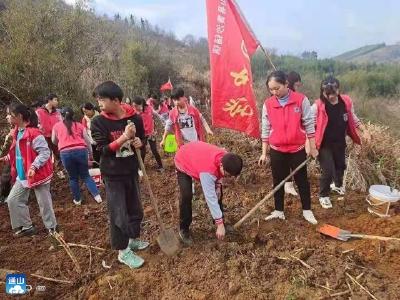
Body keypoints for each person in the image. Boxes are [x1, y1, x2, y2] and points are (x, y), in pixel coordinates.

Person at [91, 81, 148, 269]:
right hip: (113, 174)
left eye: (102, 99)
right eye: (98, 99)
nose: (99, 103)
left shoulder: (135, 118)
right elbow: (101, 151)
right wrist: (124, 137)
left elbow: (142, 141)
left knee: (135, 209)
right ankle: (123, 252)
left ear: (116, 100)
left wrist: (139, 143)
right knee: (118, 213)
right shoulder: (98, 121)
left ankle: (132, 240)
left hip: (131, 170)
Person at [259, 70, 318, 224]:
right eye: (271, 89)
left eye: (277, 88)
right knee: (278, 181)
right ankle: (279, 210)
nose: (274, 92)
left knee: (302, 181)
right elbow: (265, 129)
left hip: (296, 149)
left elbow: (309, 125)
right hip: (277, 150)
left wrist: (312, 147)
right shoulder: (268, 104)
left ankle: (307, 210)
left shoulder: (300, 100)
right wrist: (264, 153)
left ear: (286, 84)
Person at [0, 103, 57, 236]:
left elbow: (45, 153)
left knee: (44, 204)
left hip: (37, 174)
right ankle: (26, 226)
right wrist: (6, 158)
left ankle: (53, 229)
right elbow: (18, 152)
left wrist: (34, 166)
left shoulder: (34, 133)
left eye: (9, 114)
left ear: (19, 116)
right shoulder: (16, 132)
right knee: (13, 199)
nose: (7, 117)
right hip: (23, 174)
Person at [312, 76, 367, 208]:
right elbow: (309, 124)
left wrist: (364, 130)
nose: (330, 97)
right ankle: (323, 195)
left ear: (338, 90)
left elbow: (352, 117)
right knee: (328, 170)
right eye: (327, 94)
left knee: (340, 166)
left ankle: (337, 186)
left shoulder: (346, 102)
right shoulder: (318, 106)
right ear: (322, 92)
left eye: (333, 93)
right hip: (324, 143)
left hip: (339, 141)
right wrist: (310, 144)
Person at [174, 141, 243, 244]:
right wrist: (220, 225)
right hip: (183, 159)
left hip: (196, 154)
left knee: (219, 192)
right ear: (221, 166)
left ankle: (219, 221)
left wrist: (218, 185)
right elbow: (210, 198)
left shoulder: (226, 157)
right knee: (186, 195)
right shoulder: (207, 173)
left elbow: (217, 187)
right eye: (228, 175)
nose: (229, 179)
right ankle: (184, 229)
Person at [52, 107, 102, 205]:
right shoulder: (79, 125)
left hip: (65, 153)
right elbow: (87, 142)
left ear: (62, 116)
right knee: (86, 175)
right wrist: (91, 154)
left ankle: (77, 200)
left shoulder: (56, 126)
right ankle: (97, 196)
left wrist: (62, 141)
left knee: (73, 177)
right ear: (73, 116)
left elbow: (54, 141)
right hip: (81, 150)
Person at [284, 71, 304, 197]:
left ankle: (292, 183)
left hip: (297, 134)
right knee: (287, 162)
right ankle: (288, 184)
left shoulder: (298, 98)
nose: (298, 87)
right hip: (286, 134)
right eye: (297, 85)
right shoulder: (284, 97)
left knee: (294, 162)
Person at [36, 93, 64, 179]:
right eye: (55, 100)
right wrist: (40, 128)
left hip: (56, 136)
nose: (57, 102)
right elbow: (35, 123)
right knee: (44, 154)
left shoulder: (58, 112)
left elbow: (62, 122)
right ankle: (46, 173)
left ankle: (60, 171)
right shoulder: (39, 111)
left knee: (58, 154)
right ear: (49, 100)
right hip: (43, 136)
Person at [131, 96, 164, 172]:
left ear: (141, 104)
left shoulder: (148, 108)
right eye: (133, 106)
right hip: (142, 135)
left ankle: (161, 166)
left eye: (136, 106)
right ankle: (141, 168)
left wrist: (163, 121)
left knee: (154, 150)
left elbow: (155, 114)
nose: (134, 107)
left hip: (151, 133)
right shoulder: (135, 113)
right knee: (142, 152)